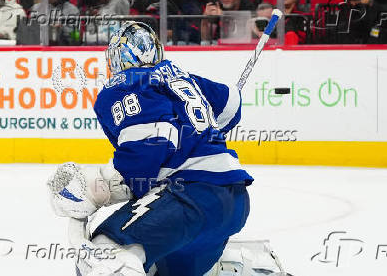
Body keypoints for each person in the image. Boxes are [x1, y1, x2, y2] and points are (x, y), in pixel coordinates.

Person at [47, 21, 252, 276]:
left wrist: (101, 189)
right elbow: (232, 107)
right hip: (234, 200)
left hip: (188, 197)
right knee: (161, 267)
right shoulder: (184, 79)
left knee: (107, 253)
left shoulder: (128, 83)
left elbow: (150, 144)